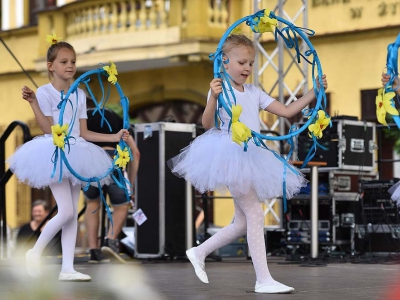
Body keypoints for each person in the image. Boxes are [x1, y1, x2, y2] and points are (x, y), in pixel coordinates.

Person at [169, 34, 328, 294]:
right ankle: (263, 279)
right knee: (255, 214)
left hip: (251, 155)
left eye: (251, 63)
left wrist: (315, 91)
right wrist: (212, 97)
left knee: (243, 223)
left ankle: (199, 251)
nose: (247, 68)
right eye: (242, 62)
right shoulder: (221, 89)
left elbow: (287, 111)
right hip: (230, 156)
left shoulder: (254, 92)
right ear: (225, 61)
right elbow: (207, 124)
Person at [7, 39, 130, 281]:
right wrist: (33, 103)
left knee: (72, 213)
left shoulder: (79, 93)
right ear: (51, 66)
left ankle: (67, 268)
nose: (70, 66)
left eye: (73, 61)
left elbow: (83, 133)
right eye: (64, 62)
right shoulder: (44, 93)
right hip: (54, 151)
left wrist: (113, 136)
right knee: (65, 211)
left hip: (78, 151)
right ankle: (34, 251)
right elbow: (47, 128)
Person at [84, 108, 140, 264]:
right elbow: (135, 153)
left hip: (90, 162)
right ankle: (110, 240)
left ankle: (94, 251)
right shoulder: (118, 119)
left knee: (92, 203)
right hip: (113, 160)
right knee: (122, 205)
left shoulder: (84, 117)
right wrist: (131, 184)